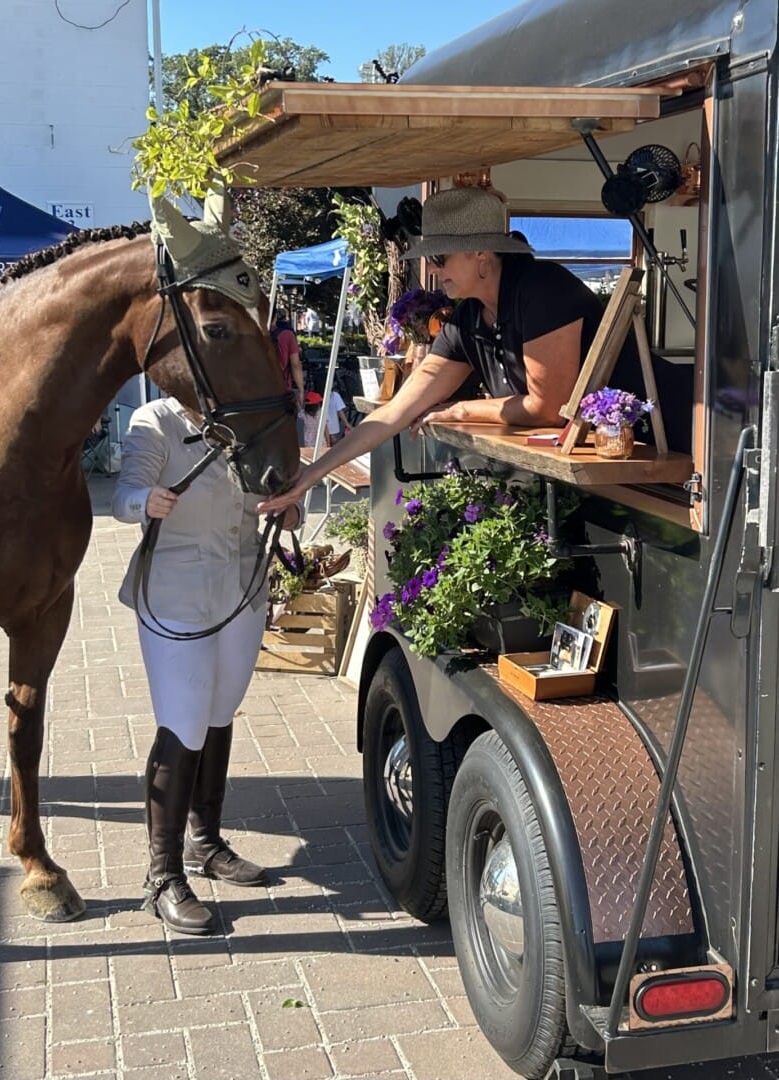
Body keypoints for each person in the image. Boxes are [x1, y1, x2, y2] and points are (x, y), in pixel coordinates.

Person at [258, 184, 625, 520]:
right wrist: (310, 475)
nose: (433, 268)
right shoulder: (468, 317)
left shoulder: (543, 290)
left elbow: (548, 408)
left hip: (645, 453)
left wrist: (461, 409)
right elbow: (397, 410)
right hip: (597, 473)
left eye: (441, 256)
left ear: (481, 253)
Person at [112, 396, 301, 936]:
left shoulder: (249, 425)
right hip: (176, 593)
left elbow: (279, 494)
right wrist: (143, 501)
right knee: (184, 721)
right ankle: (162, 876)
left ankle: (205, 842)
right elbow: (123, 494)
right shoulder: (157, 422)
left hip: (243, 589)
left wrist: (290, 510)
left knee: (220, 713)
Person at [271, 310, 305, 413]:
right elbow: (295, 365)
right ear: (275, 316)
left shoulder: (254, 334)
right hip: (282, 388)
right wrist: (301, 390)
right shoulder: (287, 335)